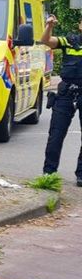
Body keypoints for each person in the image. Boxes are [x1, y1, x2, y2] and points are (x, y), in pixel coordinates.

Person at [40, 14, 82, 186]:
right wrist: (49, 26)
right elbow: (46, 40)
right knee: (56, 134)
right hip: (66, 93)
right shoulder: (70, 41)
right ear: (80, 25)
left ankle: (81, 175)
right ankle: (49, 173)